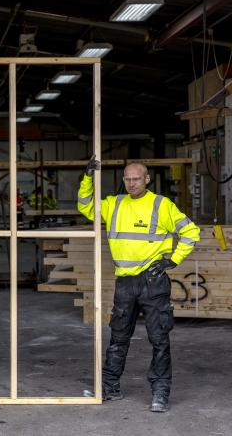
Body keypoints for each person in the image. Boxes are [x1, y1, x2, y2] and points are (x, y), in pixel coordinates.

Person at [77, 156, 200, 413]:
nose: (132, 183)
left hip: (153, 282)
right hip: (125, 281)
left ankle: (160, 393)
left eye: (136, 178)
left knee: (159, 338)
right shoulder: (114, 204)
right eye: (127, 179)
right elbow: (86, 207)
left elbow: (191, 232)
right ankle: (110, 388)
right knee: (118, 338)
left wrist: (172, 260)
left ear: (147, 179)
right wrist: (88, 178)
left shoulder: (161, 205)